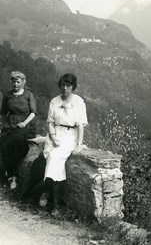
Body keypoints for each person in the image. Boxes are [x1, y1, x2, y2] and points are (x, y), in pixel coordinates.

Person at [39, 73, 87, 216]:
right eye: (63, 85)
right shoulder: (54, 101)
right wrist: (53, 137)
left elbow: (80, 126)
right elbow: (50, 123)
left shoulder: (79, 102)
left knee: (54, 157)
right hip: (55, 135)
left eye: (68, 86)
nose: (65, 88)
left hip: (69, 136)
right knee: (53, 157)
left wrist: (79, 144)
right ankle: (54, 204)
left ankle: (47, 193)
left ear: (73, 87)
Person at [0, 71, 37, 190]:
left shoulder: (28, 95)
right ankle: (11, 175)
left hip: (24, 126)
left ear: (23, 82)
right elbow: (3, 113)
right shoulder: (7, 96)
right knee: (4, 145)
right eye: (13, 81)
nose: (15, 84)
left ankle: (12, 175)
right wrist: (5, 124)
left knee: (17, 141)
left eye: (18, 82)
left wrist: (24, 123)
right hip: (10, 126)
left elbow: (33, 113)